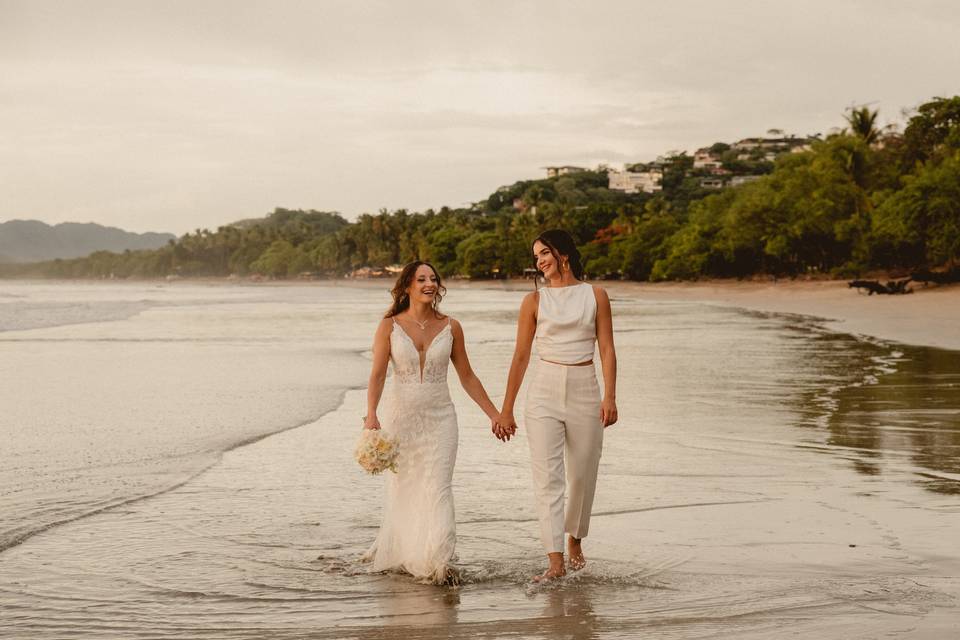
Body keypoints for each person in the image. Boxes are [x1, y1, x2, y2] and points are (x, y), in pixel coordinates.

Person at [361, 261, 503, 584]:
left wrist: (494, 414)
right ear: (407, 286)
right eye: (421, 279)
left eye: (433, 279)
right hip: (402, 422)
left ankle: (438, 561)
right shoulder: (389, 326)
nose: (429, 283)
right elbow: (378, 374)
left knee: (438, 487)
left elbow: (467, 376)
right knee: (405, 490)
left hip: (441, 420)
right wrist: (371, 413)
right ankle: (410, 557)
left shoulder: (452, 327)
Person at [497, 229, 618, 582]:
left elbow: (607, 349)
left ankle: (574, 540)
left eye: (544, 253)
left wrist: (610, 396)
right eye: (536, 257)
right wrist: (506, 409)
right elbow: (520, 356)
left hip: (585, 387)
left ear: (563, 253)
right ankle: (554, 560)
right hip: (544, 391)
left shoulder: (596, 295)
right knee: (548, 478)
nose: (539, 262)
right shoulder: (533, 302)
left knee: (583, 472)